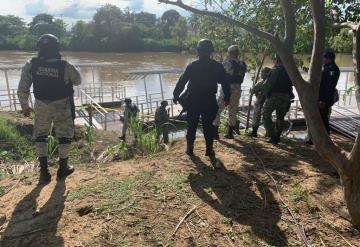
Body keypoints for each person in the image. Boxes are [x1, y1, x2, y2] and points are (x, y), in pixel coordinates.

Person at [17, 34, 81, 184]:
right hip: (62, 105)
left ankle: (44, 172)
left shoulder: (31, 64)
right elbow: (78, 81)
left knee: (40, 135)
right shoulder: (65, 65)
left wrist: (24, 106)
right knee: (64, 136)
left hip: (41, 105)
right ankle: (63, 169)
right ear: (57, 48)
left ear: (39, 48)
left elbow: (22, 87)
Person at [173, 39, 230, 157]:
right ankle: (209, 150)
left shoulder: (192, 65)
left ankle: (190, 149)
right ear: (211, 52)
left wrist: (175, 95)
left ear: (198, 51)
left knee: (191, 125)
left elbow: (182, 82)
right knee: (208, 126)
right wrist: (227, 97)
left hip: (193, 100)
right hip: (209, 100)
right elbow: (225, 82)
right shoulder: (217, 66)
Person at [306, 51, 340, 144]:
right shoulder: (327, 68)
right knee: (319, 118)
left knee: (323, 119)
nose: (323, 60)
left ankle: (325, 140)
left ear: (329, 59)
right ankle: (315, 139)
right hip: (320, 98)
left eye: (324, 58)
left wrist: (323, 100)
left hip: (324, 99)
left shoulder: (332, 69)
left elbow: (329, 86)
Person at [213, 45, 247, 139]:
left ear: (230, 53)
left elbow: (221, 76)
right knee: (233, 110)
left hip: (227, 88)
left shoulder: (227, 63)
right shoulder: (242, 64)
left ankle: (215, 133)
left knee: (217, 109)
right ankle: (230, 133)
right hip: (238, 89)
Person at [262, 56, 293, 144]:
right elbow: (292, 84)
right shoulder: (289, 71)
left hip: (275, 96)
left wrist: (264, 95)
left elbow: (269, 84)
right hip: (286, 97)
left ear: (277, 60)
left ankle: (272, 135)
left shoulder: (275, 70)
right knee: (280, 117)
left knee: (265, 114)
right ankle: (277, 136)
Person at [249, 67, 272, 137]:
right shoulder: (272, 83)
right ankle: (268, 133)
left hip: (260, 101)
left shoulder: (261, 83)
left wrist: (253, 92)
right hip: (267, 102)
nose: (261, 74)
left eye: (263, 72)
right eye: (261, 72)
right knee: (267, 117)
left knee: (257, 116)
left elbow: (252, 91)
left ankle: (254, 132)